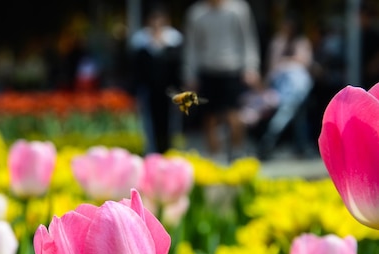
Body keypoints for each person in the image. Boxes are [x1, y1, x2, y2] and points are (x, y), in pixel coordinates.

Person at [183, 0, 261, 161]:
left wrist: (251, 67)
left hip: (233, 69)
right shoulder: (196, 13)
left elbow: (248, 39)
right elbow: (191, 47)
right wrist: (190, 74)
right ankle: (214, 158)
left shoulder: (239, 9)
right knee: (209, 118)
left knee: (235, 115)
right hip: (207, 70)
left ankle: (237, 155)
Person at [257, 13, 315, 160]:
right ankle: (271, 141)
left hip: (298, 87)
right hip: (280, 86)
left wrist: (287, 62)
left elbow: (305, 62)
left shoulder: (301, 42)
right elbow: (271, 65)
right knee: (289, 114)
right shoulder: (277, 42)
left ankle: (295, 145)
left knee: (296, 116)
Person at [130, 5, 183, 154]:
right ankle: (152, 153)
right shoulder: (141, 42)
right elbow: (136, 71)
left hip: (170, 91)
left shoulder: (174, 41)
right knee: (149, 124)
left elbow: (178, 69)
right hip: (149, 91)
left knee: (171, 125)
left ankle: (169, 151)